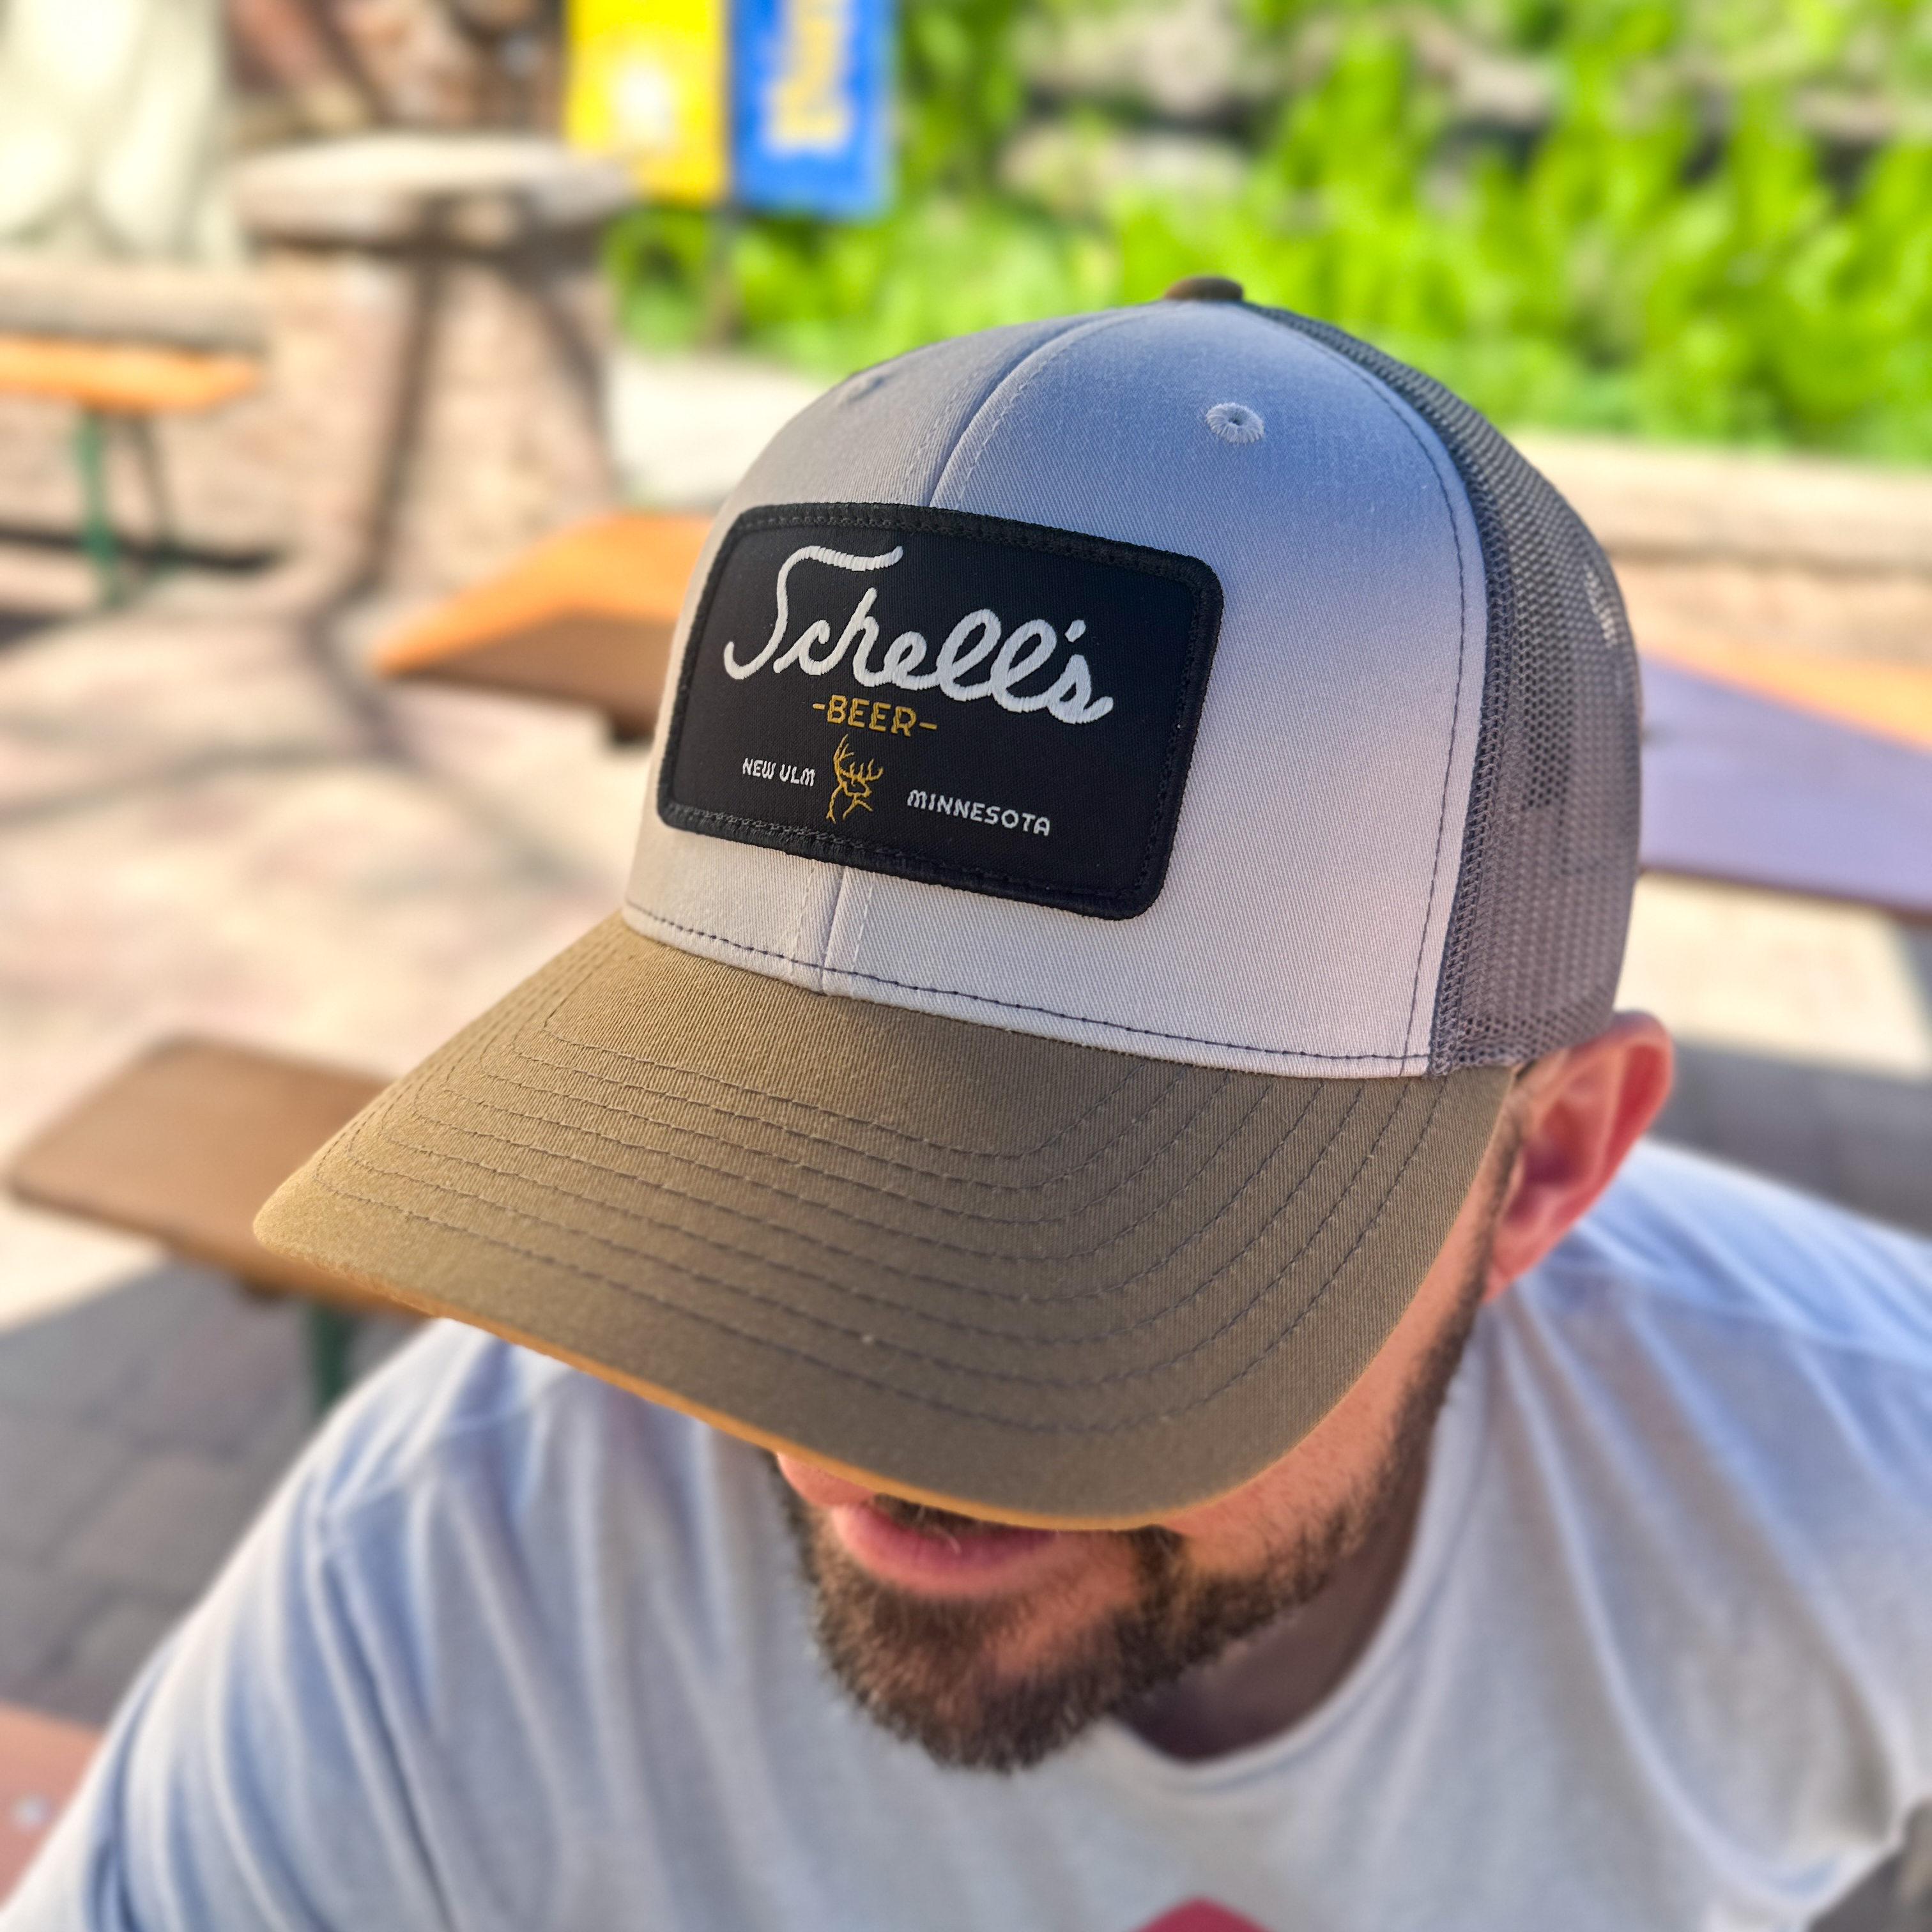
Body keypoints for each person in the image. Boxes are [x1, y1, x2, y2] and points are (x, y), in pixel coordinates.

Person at [10, 283, 1932, 1932]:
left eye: (1100, 1255)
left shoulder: (1856, 1490)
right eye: (757, 1173)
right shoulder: (459, 1565)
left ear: (1556, 1160)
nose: (841, 1454)